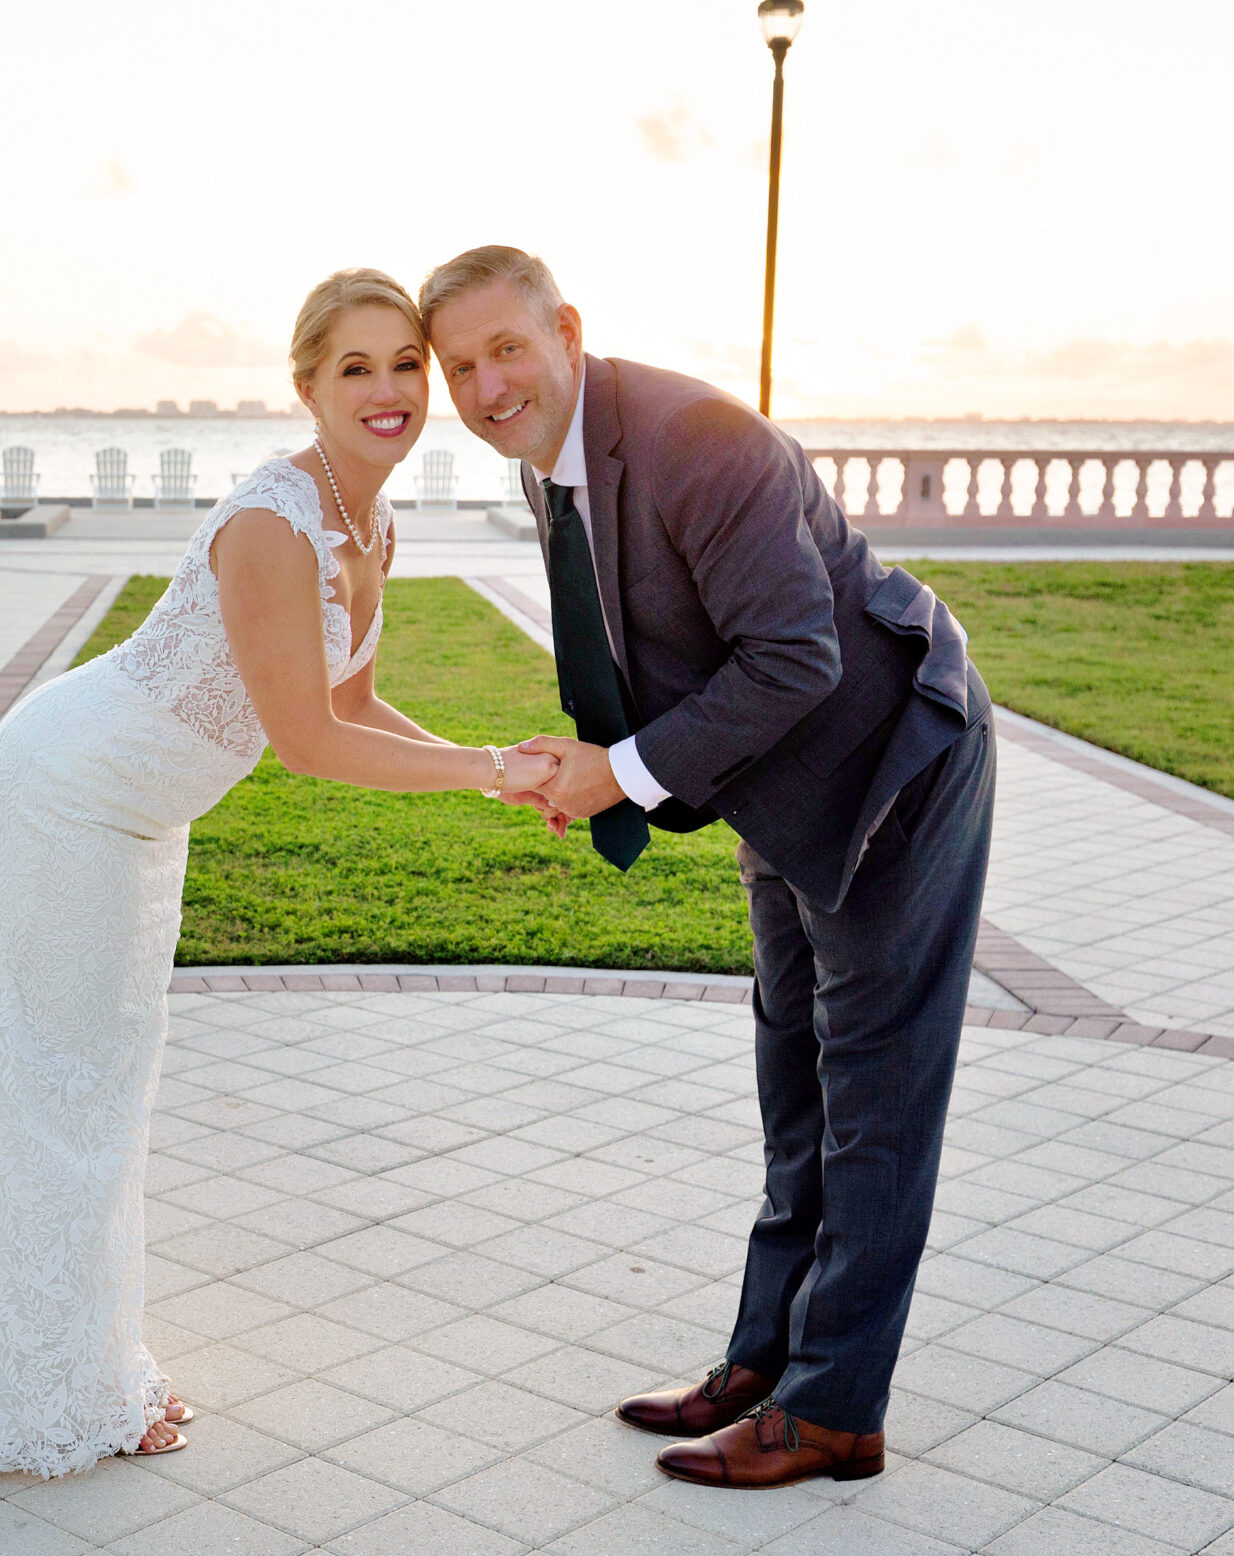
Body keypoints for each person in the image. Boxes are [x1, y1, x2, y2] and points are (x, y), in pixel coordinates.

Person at [0, 268, 562, 1500]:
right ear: (305, 386)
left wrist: (494, 771)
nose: (388, 392)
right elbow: (310, 742)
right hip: (71, 791)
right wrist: (494, 768)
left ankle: (28, 1363)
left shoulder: (367, 521)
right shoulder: (276, 523)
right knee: (57, 1089)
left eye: (405, 368)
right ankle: (49, 1392)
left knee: (92, 1081)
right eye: (355, 369)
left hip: (135, 812)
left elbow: (354, 701)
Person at [423, 246, 994, 1490]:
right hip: (777, 788)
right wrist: (591, 757)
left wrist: (623, 775)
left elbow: (796, 658)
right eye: (459, 365)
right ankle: (768, 1360)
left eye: (504, 348)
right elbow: (648, 639)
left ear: (565, 330)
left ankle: (835, 1408)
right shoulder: (555, 460)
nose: (483, 384)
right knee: (794, 1078)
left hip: (887, 768)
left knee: (873, 1105)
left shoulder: (696, 437)